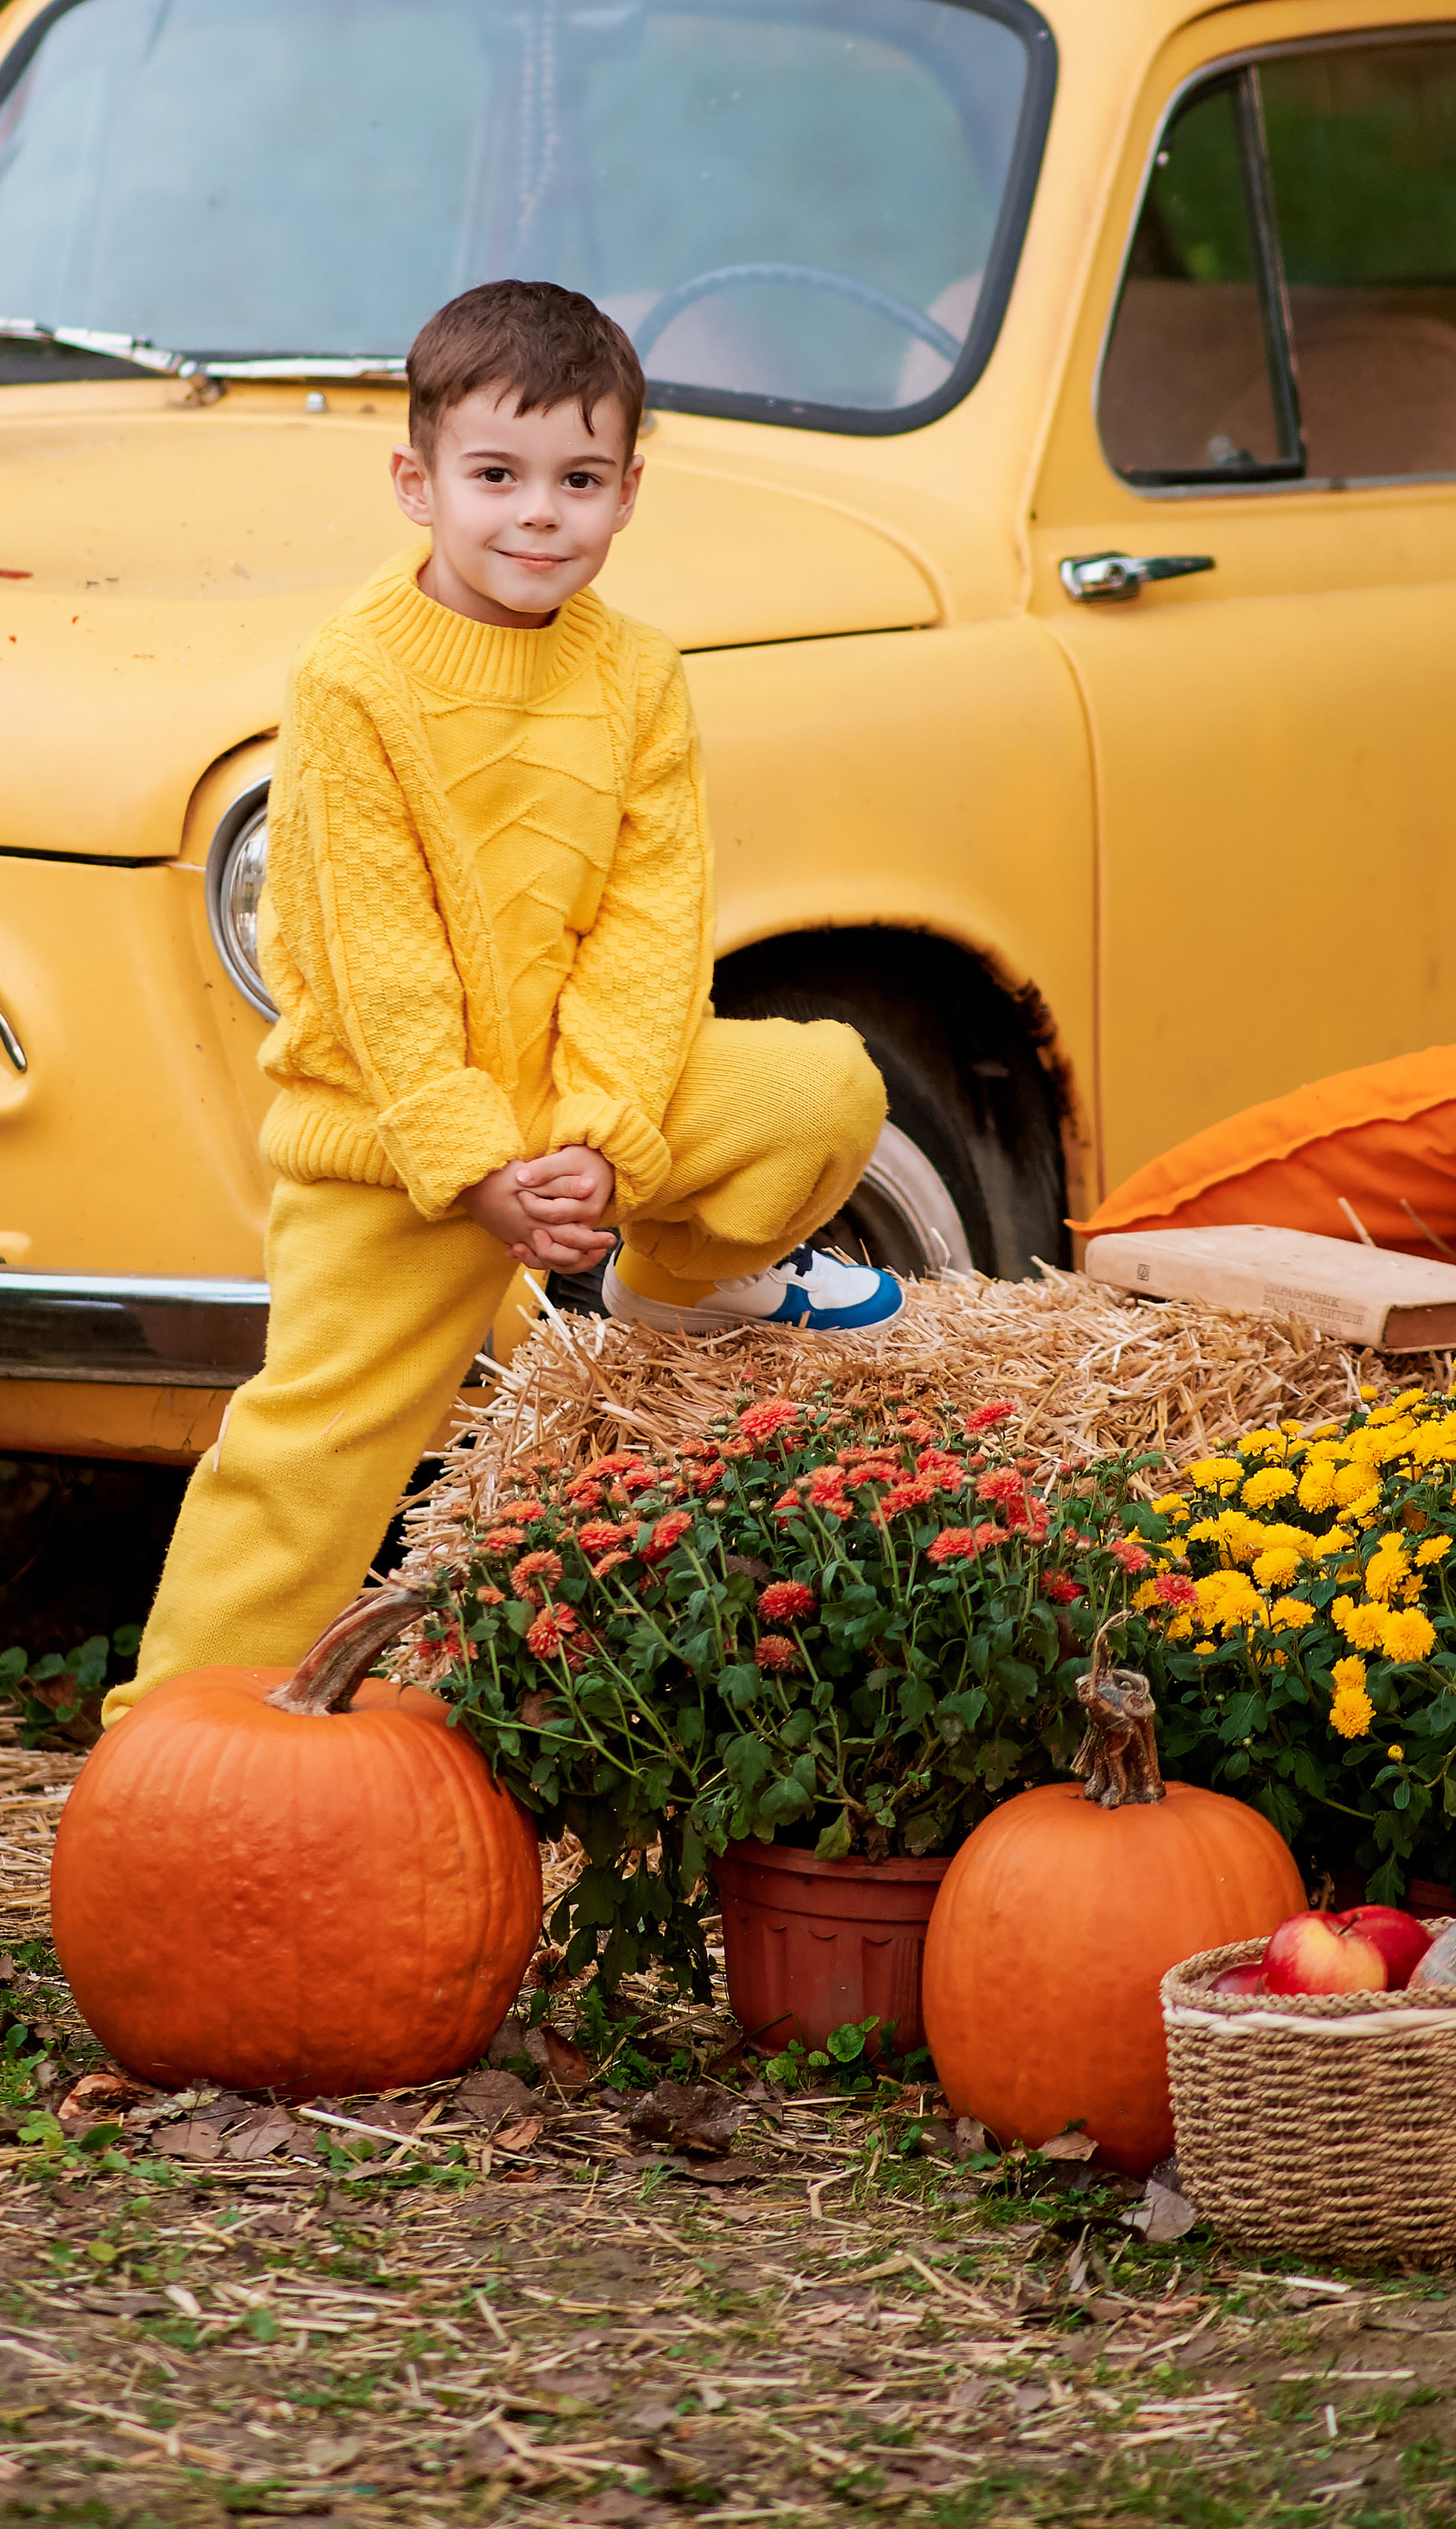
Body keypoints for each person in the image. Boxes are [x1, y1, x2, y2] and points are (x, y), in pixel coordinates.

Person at [103, 279, 899, 1720]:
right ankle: (163, 1743)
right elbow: (377, 957)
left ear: (630, 491)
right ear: (417, 483)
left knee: (824, 1089)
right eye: (497, 476)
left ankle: (672, 1282)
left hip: (576, 1103)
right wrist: (475, 1166)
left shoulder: (639, 675)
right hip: (397, 1137)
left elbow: (651, 929)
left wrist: (601, 1135)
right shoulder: (356, 682)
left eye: (579, 480)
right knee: (313, 1446)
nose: (539, 515)